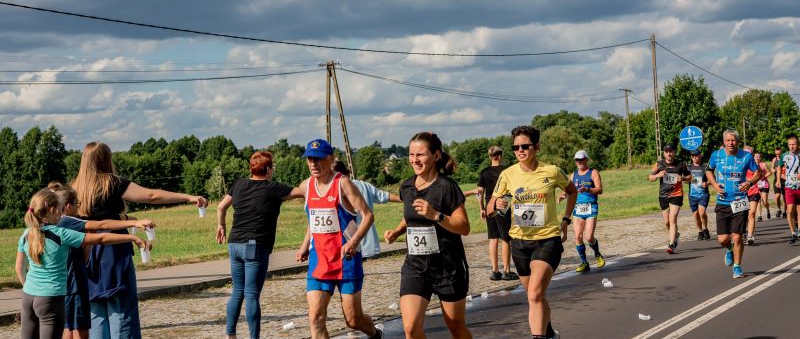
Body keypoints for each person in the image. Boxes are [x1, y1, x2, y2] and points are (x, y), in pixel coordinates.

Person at [70, 142, 207, 339]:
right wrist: (187, 197)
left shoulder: (75, 187)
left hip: (85, 253)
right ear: (106, 159)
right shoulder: (112, 182)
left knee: (96, 316)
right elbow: (151, 195)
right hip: (114, 252)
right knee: (122, 314)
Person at [15, 188, 149, 339]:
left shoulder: (26, 234)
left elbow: (19, 268)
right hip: (50, 298)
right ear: (53, 210)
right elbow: (101, 239)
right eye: (60, 209)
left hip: (28, 297)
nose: (61, 214)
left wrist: (30, 288)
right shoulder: (60, 234)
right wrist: (132, 238)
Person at [487, 126, 577, 339]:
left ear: (537, 147)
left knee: (535, 293)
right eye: (516, 147)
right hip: (519, 242)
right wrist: (497, 203)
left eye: (525, 146)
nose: (520, 150)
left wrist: (566, 219)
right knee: (534, 296)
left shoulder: (552, 171)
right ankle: (549, 333)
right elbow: (490, 207)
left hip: (547, 241)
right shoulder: (507, 174)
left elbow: (571, 191)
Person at [383, 132, 472, 339]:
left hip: (448, 267)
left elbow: (464, 227)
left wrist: (436, 215)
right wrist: (397, 231)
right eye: (411, 154)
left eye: (420, 155)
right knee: (411, 328)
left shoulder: (447, 187)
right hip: (416, 266)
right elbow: (412, 215)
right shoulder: (406, 186)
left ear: (436, 155)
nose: (415, 160)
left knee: (456, 327)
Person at [294, 139, 382, 339]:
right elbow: (314, 219)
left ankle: (375, 334)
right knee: (316, 318)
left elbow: (368, 215)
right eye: (310, 159)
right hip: (319, 262)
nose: (313, 163)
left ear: (331, 159)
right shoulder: (306, 186)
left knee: (353, 320)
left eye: (318, 159)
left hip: (346, 261)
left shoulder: (342, 183)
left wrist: (354, 242)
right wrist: (305, 245)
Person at [215, 151, 303, 339]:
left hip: (235, 243)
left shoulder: (239, 183)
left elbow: (221, 206)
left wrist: (221, 225)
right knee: (252, 294)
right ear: (269, 169)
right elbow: (300, 192)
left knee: (237, 291)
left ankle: (231, 335)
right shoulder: (273, 188)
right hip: (255, 246)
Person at [706, 130, 760, 279]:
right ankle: (729, 249)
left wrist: (749, 182)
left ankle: (737, 266)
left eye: (733, 140)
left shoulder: (746, 156)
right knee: (722, 239)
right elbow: (709, 171)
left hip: (740, 201)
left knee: (737, 237)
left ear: (738, 142)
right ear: (724, 142)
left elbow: (758, 173)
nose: (731, 143)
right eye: (728, 140)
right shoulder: (716, 155)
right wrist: (714, 184)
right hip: (722, 201)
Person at [331, 159, 401, 259]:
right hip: (366, 244)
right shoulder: (364, 185)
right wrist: (404, 199)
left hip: (346, 244)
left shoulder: (334, 189)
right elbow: (384, 196)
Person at [476, 146, 518, 281]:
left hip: (490, 206)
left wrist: (482, 208)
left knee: (493, 238)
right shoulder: (507, 171)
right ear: (501, 156)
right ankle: (506, 270)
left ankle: (494, 271)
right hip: (503, 205)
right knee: (505, 238)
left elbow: (479, 193)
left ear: (490, 157)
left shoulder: (484, 172)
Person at [560, 150, 604, 273]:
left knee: (589, 237)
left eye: (581, 159)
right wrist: (563, 196)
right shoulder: (573, 175)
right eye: (577, 160)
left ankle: (597, 254)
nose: (579, 162)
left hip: (591, 206)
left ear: (586, 159)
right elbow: (568, 190)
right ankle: (584, 262)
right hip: (578, 207)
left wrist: (588, 189)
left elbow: (600, 190)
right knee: (578, 236)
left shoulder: (593, 172)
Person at [648, 144, 691, 254]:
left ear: (674, 152)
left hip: (677, 194)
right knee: (667, 222)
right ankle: (675, 235)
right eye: (667, 152)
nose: (669, 154)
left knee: (673, 219)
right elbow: (650, 178)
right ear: (664, 153)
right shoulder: (659, 164)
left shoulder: (681, 164)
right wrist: (658, 175)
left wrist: (682, 178)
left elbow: (690, 177)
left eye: (671, 151)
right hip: (663, 195)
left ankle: (671, 244)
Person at [687, 150, 711, 241]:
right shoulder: (688, 168)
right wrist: (686, 179)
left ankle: (705, 229)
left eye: (696, 155)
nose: (694, 157)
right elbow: (685, 179)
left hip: (703, 194)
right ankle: (700, 231)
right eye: (692, 156)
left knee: (702, 212)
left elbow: (713, 180)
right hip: (692, 195)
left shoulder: (705, 167)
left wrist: (707, 183)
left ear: (700, 155)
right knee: (696, 214)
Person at [743, 147, 762, 245]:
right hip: (742, 193)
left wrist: (751, 182)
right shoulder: (738, 164)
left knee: (752, 213)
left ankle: (750, 235)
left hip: (753, 191)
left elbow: (759, 174)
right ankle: (745, 231)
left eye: (749, 154)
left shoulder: (754, 165)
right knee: (744, 215)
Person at [783, 135, 800, 244]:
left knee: (799, 210)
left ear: (798, 145)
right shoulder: (784, 156)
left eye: (793, 144)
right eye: (789, 144)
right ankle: (793, 233)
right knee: (790, 210)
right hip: (789, 186)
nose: (791, 146)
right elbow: (779, 167)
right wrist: (779, 179)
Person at [754, 152, 772, 221]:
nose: (757, 158)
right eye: (756, 157)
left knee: (765, 201)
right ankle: (759, 215)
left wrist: (764, 177)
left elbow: (770, 172)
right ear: (754, 157)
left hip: (764, 185)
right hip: (756, 185)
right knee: (758, 200)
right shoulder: (752, 165)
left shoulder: (763, 164)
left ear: (760, 158)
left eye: (758, 157)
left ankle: (767, 209)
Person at [772, 146, 786, 218]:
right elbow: (772, 169)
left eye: (779, 154)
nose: (778, 155)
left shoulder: (785, 159)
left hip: (785, 180)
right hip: (777, 180)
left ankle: (785, 211)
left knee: (785, 197)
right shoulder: (774, 160)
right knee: (777, 196)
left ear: (781, 152)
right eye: (776, 154)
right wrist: (775, 169)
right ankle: (779, 209)